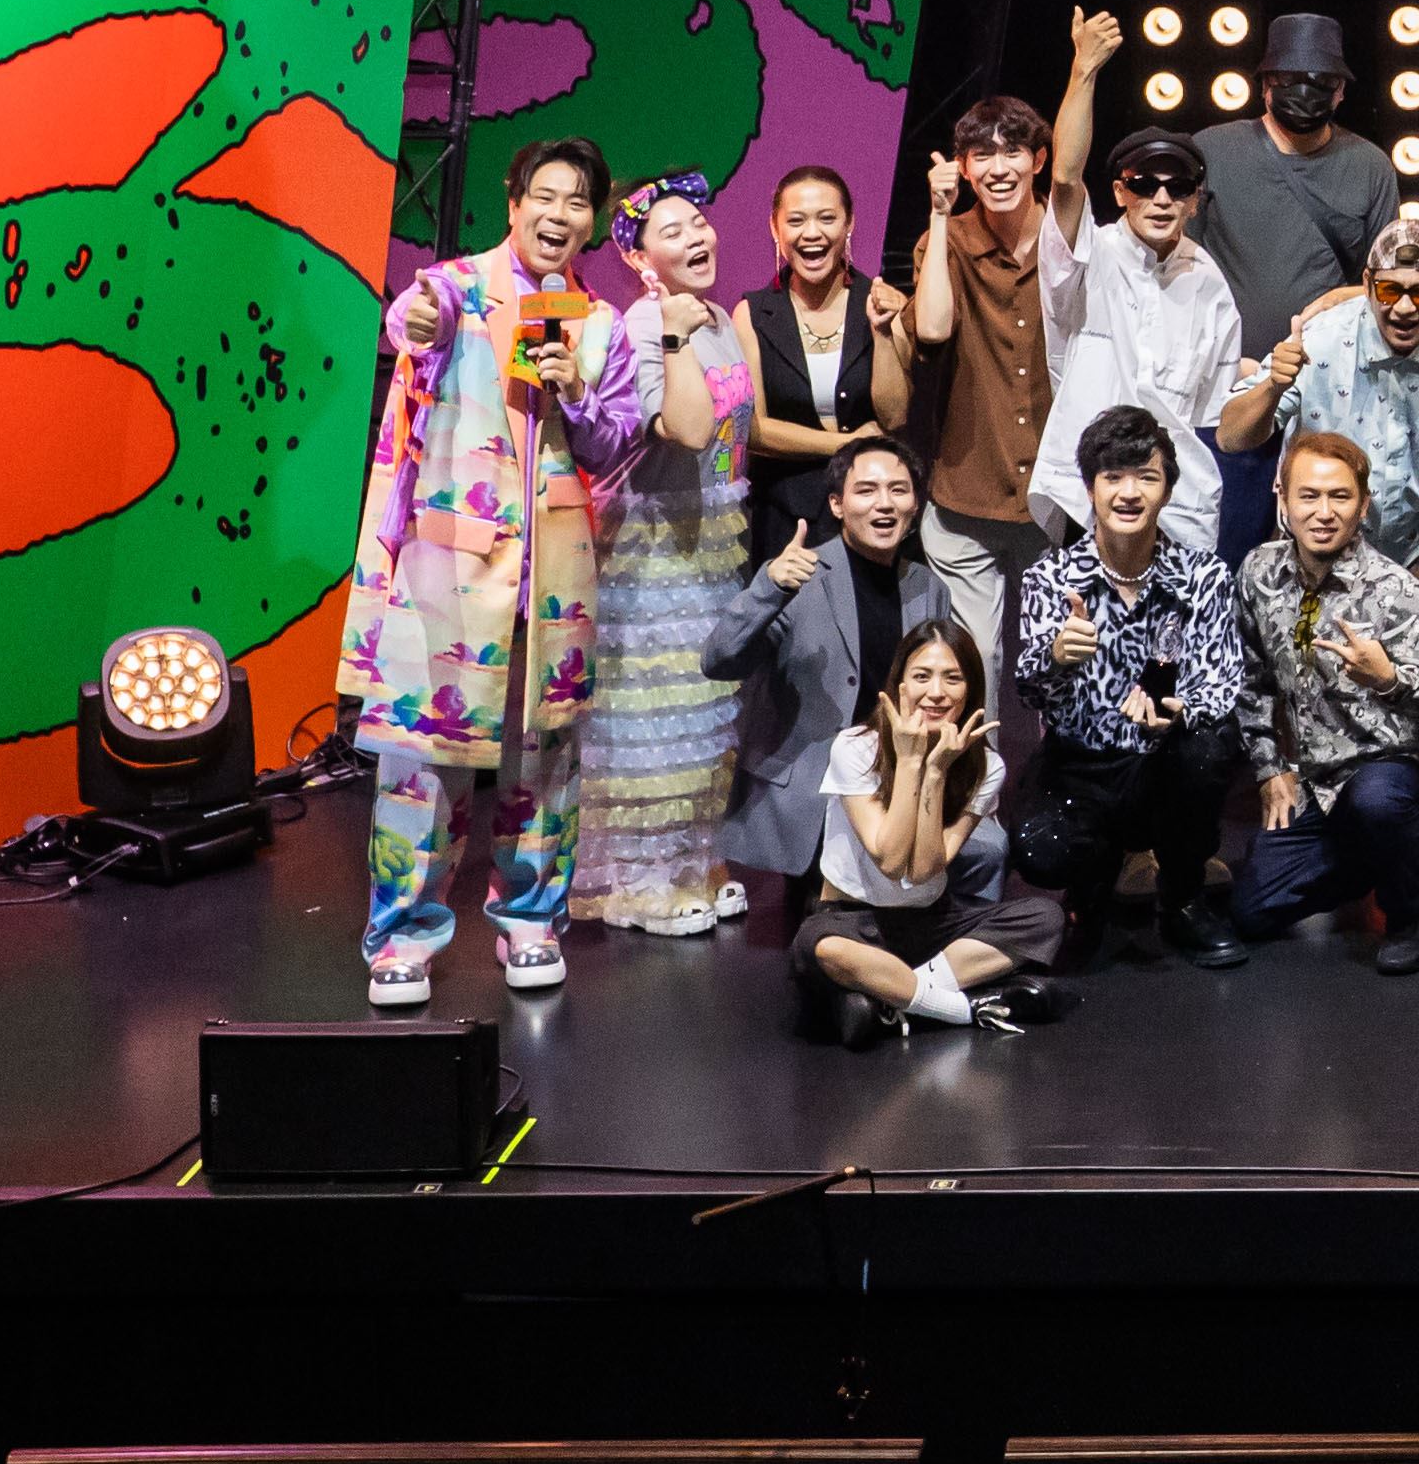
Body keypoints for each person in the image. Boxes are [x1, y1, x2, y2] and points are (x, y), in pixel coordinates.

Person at [345, 134, 661, 1006]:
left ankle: (530, 919)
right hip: (450, 569)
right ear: (514, 203)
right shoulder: (457, 285)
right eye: (544, 197)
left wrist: (574, 389)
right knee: (424, 757)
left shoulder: (596, 325)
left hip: (550, 578)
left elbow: (611, 444)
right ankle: (401, 937)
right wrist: (411, 325)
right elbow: (416, 318)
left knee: (545, 758)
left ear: (593, 221)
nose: (559, 216)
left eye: (577, 202)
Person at [710, 429, 1004, 914]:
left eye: (898, 490)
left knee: (987, 851)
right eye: (866, 490)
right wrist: (769, 588)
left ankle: (948, 948)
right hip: (815, 788)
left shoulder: (928, 587)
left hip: (901, 774)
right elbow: (719, 660)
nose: (884, 504)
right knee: (836, 920)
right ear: (837, 504)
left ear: (915, 504)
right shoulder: (798, 575)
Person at [1006, 406, 1256, 968]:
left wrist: (1181, 712)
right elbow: (1031, 692)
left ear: (1166, 490)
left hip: (1163, 765)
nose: (1128, 492)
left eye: (1146, 476)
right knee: (1040, 850)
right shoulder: (1051, 578)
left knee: (1206, 750)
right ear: (1090, 489)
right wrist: (1056, 658)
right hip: (1082, 764)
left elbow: (1221, 682)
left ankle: (1183, 899)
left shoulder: (1204, 577)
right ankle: (1088, 896)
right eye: (1113, 476)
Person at [577, 172, 756, 936]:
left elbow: (739, 435)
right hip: (652, 551)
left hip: (713, 543)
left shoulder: (716, 315)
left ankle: (691, 858)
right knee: (650, 716)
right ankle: (638, 881)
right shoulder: (643, 326)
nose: (696, 236)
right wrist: (673, 333)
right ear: (638, 257)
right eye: (672, 231)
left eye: (699, 222)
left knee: (703, 711)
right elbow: (685, 428)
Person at [1230, 426, 1419, 970]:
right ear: (1282, 497)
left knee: (1377, 802)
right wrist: (1269, 768)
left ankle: (1409, 912)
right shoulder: (1260, 572)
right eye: (1308, 495)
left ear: (1363, 505)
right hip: (1318, 779)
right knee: (1251, 911)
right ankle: (1382, 857)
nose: (1324, 512)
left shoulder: (1395, 589)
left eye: (1340, 497)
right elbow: (1250, 679)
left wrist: (1388, 679)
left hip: (1395, 768)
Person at [906, 15, 1111, 591]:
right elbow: (933, 329)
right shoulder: (946, 240)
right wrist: (939, 216)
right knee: (971, 648)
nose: (998, 169)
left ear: (1036, 160)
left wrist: (1083, 69)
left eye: (1014, 152)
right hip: (966, 494)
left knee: (1049, 644)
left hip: (1054, 492)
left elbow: (1070, 175)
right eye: (981, 156)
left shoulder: (1064, 239)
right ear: (963, 167)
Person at [789, 620, 1064, 1042]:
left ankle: (891, 999)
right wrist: (910, 761)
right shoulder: (855, 746)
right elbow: (891, 860)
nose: (936, 692)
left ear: (970, 690)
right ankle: (961, 1008)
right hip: (852, 920)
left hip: (931, 921)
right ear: (899, 685)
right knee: (825, 949)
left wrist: (935, 772)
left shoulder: (986, 766)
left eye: (953, 678)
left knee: (1043, 918)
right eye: (922, 676)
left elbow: (922, 871)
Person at [1193, 9, 1398, 561]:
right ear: (1264, 84)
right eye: (1288, 79)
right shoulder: (1213, 150)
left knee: (1324, 558)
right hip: (1231, 390)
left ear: (1341, 91)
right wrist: (1223, 360)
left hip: (1324, 398)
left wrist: (1339, 300)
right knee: (1227, 551)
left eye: (1321, 81)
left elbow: (1388, 286)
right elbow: (1180, 267)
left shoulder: (1370, 166)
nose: (1304, 93)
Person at [1220, 216, 1419, 600]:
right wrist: (1273, 386)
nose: (1404, 308)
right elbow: (1230, 438)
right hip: (1311, 558)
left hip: (1410, 563)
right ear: (1367, 284)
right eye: (1390, 290)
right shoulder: (1323, 337)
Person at [1022, 123, 1249, 560]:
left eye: (1178, 188)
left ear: (1195, 200)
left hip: (1178, 508)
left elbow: (1212, 412)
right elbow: (1065, 179)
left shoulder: (1211, 284)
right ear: (1119, 192)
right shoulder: (1088, 255)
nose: (1161, 199)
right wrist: (1085, 81)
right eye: (1144, 185)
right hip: (1087, 497)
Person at [738, 161, 911, 566]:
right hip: (786, 519)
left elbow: (895, 415)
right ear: (775, 228)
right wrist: (844, 444)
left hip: (873, 514)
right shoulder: (753, 314)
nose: (812, 233)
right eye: (796, 220)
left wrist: (884, 333)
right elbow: (755, 430)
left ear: (849, 224)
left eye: (827, 218)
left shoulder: (881, 301)